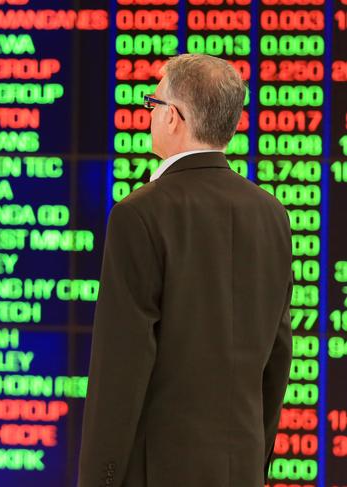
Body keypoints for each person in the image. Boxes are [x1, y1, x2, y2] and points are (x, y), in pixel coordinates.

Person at [77, 54, 293, 486]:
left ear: (173, 118)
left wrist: (100, 479)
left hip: (157, 472)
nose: (150, 115)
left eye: (152, 105)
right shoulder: (272, 214)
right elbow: (277, 357)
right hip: (242, 470)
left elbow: (120, 368)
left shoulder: (139, 214)